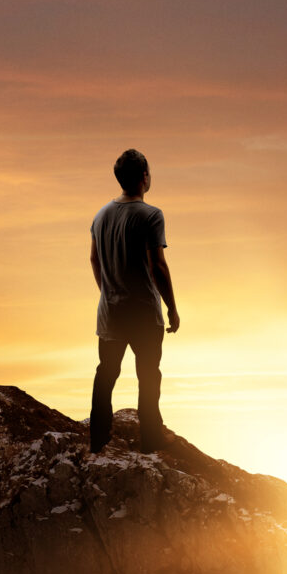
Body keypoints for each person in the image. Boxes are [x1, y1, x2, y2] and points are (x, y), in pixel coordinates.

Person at [89, 148, 178, 453]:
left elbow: (94, 259)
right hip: (143, 313)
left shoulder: (101, 215)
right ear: (144, 177)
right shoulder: (151, 215)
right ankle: (151, 440)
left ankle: (98, 438)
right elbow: (158, 266)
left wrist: (108, 291)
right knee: (149, 377)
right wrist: (172, 307)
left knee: (106, 373)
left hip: (110, 313)